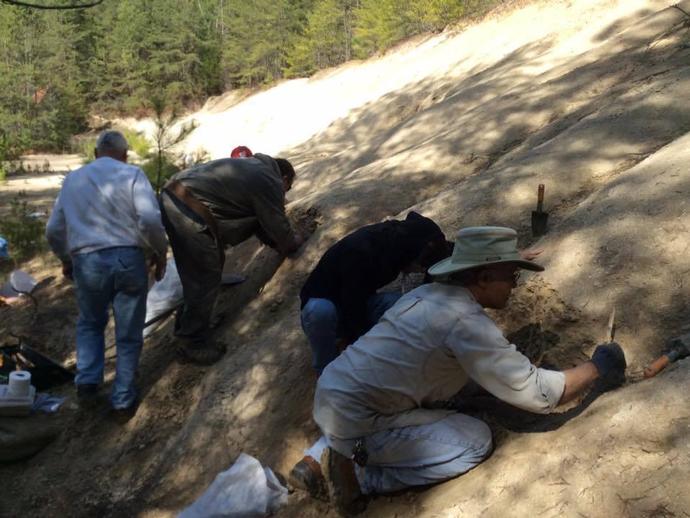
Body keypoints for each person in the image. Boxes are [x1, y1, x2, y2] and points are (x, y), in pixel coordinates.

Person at [291, 226, 626, 514]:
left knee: (417, 396)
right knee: (475, 441)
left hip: (337, 391)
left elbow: (439, 369)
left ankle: (319, 455)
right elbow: (540, 394)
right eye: (511, 276)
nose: (514, 284)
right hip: (361, 416)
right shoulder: (465, 323)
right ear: (482, 278)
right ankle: (361, 478)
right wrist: (598, 366)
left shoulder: (424, 294)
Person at [46, 130, 168, 420]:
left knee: (90, 323)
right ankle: (123, 402)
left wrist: (66, 259)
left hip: (87, 261)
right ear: (125, 154)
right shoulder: (133, 174)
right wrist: (159, 253)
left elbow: (53, 230)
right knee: (128, 333)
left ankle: (87, 384)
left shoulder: (73, 179)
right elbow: (150, 219)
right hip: (129, 259)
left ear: (95, 153)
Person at [159, 154, 303, 365]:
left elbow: (260, 222)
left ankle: (188, 326)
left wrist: (275, 243)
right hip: (187, 207)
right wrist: (293, 241)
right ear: (285, 179)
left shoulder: (253, 168)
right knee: (205, 274)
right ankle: (193, 342)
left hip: (174, 196)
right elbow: (277, 225)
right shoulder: (269, 180)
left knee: (199, 270)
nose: (284, 194)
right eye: (287, 189)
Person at [299, 211, 450, 375]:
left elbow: (445, 256)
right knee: (321, 312)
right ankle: (325, 370)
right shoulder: (362, 251)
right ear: (414, 251)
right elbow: (353, 305)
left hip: (362, 301)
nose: (419, 268)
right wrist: (361, 344)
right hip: (327, 306)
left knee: (403, 304)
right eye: (421, 263)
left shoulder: (402, 241)